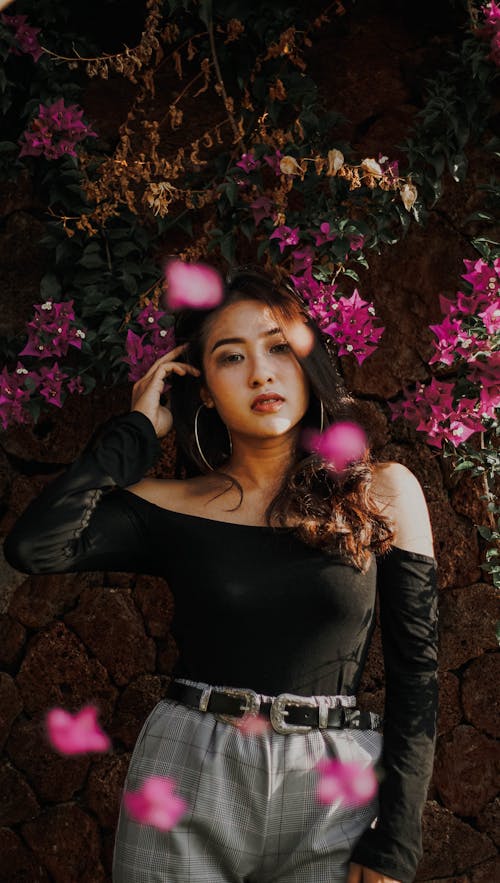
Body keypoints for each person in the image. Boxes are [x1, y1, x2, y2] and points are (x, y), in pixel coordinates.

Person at [4, 266, 438, 883]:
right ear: (201, 386)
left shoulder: (383, 493)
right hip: (188, 772)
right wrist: (134, 431)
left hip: (336, 789)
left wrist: (397, 840)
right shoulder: (166, 506)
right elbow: (34, 546)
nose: (261, 372)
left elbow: (417, 675)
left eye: (278, 347)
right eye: (231, 357)